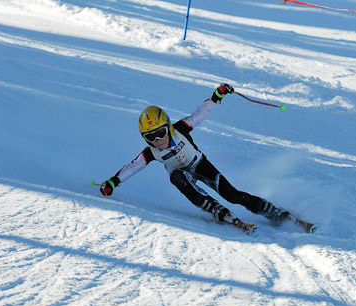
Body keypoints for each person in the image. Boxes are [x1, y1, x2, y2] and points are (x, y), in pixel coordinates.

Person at [98, 84, 290, 227]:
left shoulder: (180, 129)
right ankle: (213, 207)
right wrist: (113, 182)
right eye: (151, 137)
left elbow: (199, 114)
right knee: (176, 177)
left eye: (161, 133)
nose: (158, 141)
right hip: (184, 176)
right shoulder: (151, 152)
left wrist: (216, 97)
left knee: (232, 195)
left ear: (169, 127)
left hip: (200, 165)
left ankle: (273, 212)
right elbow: (133, 166)